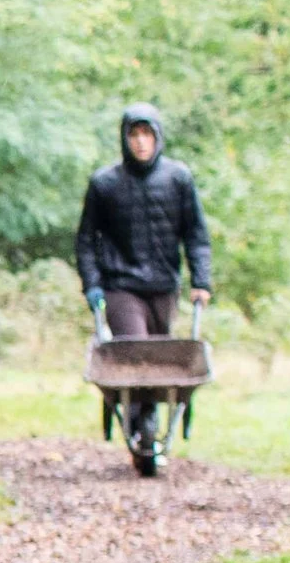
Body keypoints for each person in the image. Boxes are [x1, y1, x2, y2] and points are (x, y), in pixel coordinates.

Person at [76, 108, 213, 431]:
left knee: (160, 361)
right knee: (134, 351)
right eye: (134, 135)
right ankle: (142, 422)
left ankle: (147, 418)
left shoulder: (178, 179)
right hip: (121, 285)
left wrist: (201, 280)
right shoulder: (104, 184)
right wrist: (92, 283)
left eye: (146, 135)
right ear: (125, 139)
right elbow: (85, 240)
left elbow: (196, 234)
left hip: (164, 285)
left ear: (157, 138)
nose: (140, 142)